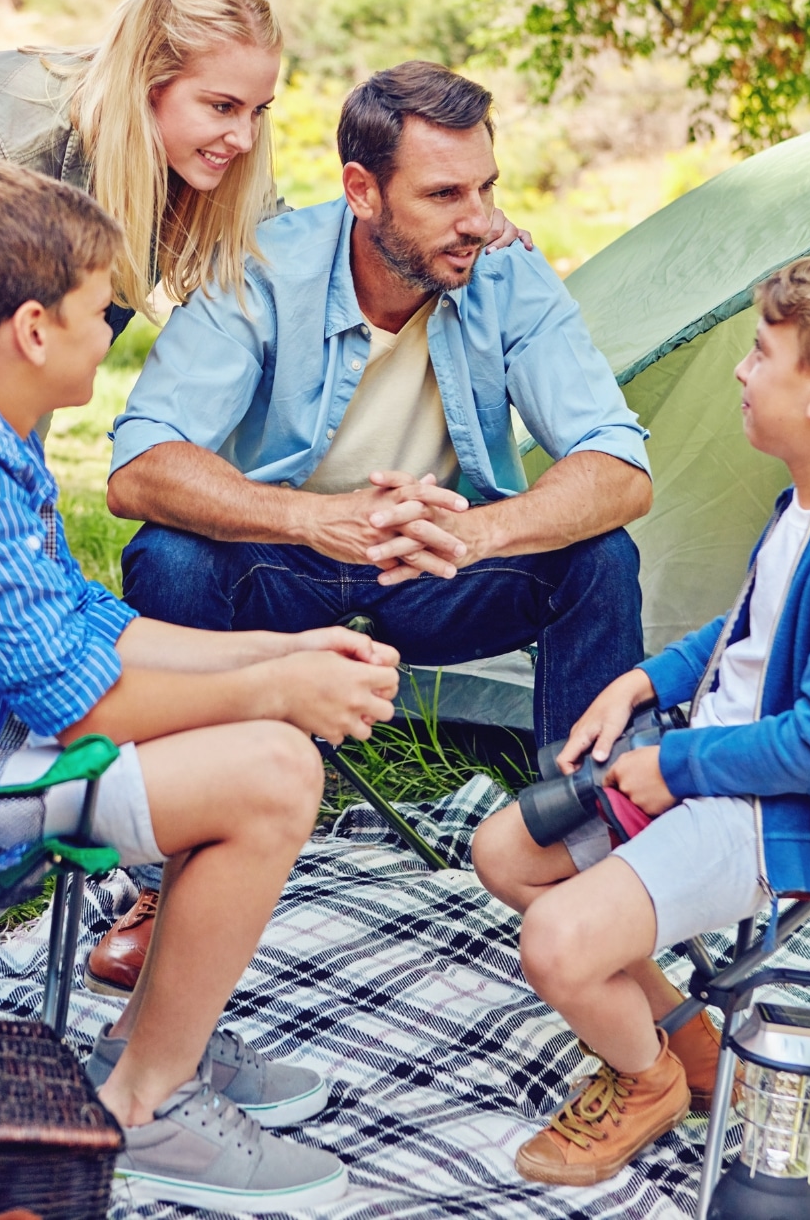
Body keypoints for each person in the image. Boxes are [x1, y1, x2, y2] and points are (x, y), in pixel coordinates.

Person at [97, 58, 658, 998]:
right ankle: (168, 880)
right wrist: (318, 520)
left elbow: (620, 466)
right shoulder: (264, 266)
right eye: (443, 194)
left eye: (485, 188)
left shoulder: (506, 273)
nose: (477, 218)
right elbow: (140, 465)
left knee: (599, 556)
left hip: (437, 567)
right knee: (173, 555)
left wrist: (481, 535)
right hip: (284, 569)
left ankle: (594, 878)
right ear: (363, 190)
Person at [471, 251, 810, 1186]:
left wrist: (676, 766)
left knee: (556, 942)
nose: (740, 368)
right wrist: (641, 685)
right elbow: (746, 630)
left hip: (779, 815)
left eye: (763, 352)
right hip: (718, 767)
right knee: (504, 853)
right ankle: (686, 1036)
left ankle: (644, 1081)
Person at [0, 160, 402, 1209]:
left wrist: (278, 654)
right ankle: (146, 1102)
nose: (111, 329)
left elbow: (88, 622)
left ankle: (158, 1042)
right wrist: (276, 698)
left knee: (268, 736)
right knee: (269, 771)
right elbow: (79, 703)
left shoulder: (1, 432)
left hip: (7, 746)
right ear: (34, 328)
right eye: (97, 310)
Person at [0, 0, 527, 345]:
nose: (244, 139)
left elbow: (292, 252)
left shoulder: (204, 161)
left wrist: (456, 221)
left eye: (258, 110)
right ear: (147, 84)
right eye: (221, 106)